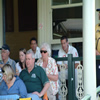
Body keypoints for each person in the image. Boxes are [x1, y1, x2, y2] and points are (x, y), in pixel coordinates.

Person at [95, 8, 100, 86]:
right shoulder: (96, 27)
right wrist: (95, 51)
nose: (99, 15)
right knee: (98, 78)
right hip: (98, 57)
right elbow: (91, 41)